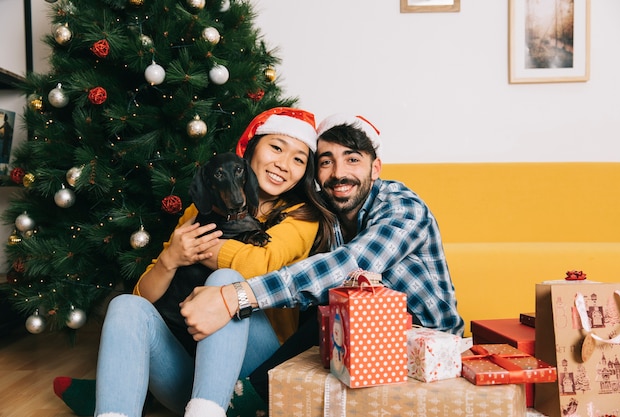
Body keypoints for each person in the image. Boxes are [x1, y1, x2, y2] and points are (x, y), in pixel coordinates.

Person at [54, 107, 336, 417]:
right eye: (276, 147)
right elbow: (141, 301)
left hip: (259, 376)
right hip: (190, 378)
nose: (283, 164)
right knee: (124, 305)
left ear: (305, 172)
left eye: (298, 159)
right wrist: (169, 260)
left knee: (224, 280)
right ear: (250, 150)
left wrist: (201, 250)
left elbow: (258, 266)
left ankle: (207, 411)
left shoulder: (303, 215)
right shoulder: (203, 207)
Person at [178, 113, 465, 410]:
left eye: (352, 160)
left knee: (346, 305)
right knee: (330, 309)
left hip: (428, 347)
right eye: (327, 161)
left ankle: (246, 402)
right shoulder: (325, 213)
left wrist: (235, 296)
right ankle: (240, 398)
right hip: (350, 340)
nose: (339, 173)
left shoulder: (403, 206)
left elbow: (350, 264)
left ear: (375, 168)